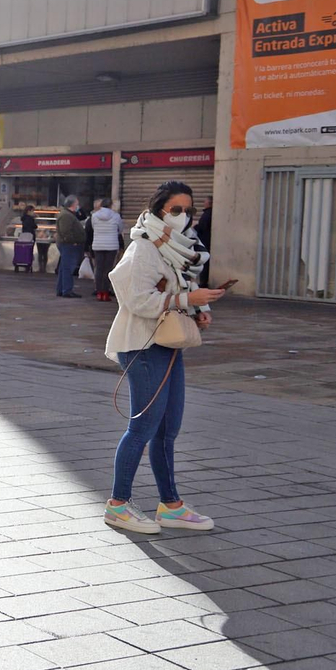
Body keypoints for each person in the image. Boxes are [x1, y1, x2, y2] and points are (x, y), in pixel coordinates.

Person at [103, 180, 223, 534]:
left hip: (166, 345)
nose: (183, 217)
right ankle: (118, 505)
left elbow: (173, 295)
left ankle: (170, 506)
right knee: (142, 428)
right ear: (158, 210)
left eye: (189, 211)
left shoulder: (175, 249)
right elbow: (137, 300)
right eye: (175, 210)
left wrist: (195, 308)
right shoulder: (144, 248)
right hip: (141, 345)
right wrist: (188, 300)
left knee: (168, 430)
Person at [90, 197, 123, 302]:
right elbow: (120, 229)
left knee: (99, 269)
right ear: (111, 205)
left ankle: (99, 292)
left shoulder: (94, 216)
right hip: (112, 245)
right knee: (108, 269)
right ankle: (106, 292)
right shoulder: (116, 216)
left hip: (97, 245)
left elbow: (93, 227)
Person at [55, 196, 86, 298]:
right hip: (68, 245)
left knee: (64, 268)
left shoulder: (68, 214)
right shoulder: (66, 216)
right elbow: (65, 232)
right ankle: (67, 290)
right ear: (73, 204)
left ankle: (61, 289)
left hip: (67, 244)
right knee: (68, 268)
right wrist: (73, 241)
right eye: (77, 204)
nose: (78, 206)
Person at [193, 196, 213, 286]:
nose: (203, 203)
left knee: (204, 262)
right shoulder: (210, 213)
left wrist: (195, 227)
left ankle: (203, 282)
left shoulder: (207, 214)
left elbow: (202, 227)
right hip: (206, 241)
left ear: (209, 203)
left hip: (205, 241)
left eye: (205, 202)